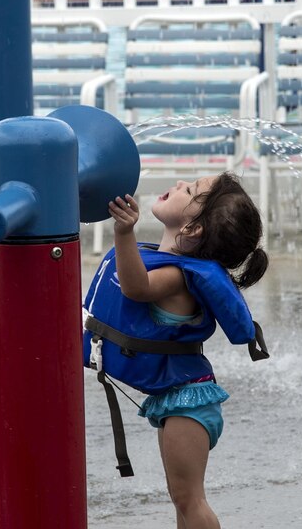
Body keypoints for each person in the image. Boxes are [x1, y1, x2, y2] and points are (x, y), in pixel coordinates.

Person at [83, 172, 269, 529]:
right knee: (181, 499)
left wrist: (124, 232)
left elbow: (135, 287)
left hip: (190, 403)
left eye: (192, 190)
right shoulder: (170, 265)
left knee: (189, 498)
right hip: (178, 399)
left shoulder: (176, 277)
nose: (181, 183)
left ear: (193, 230)